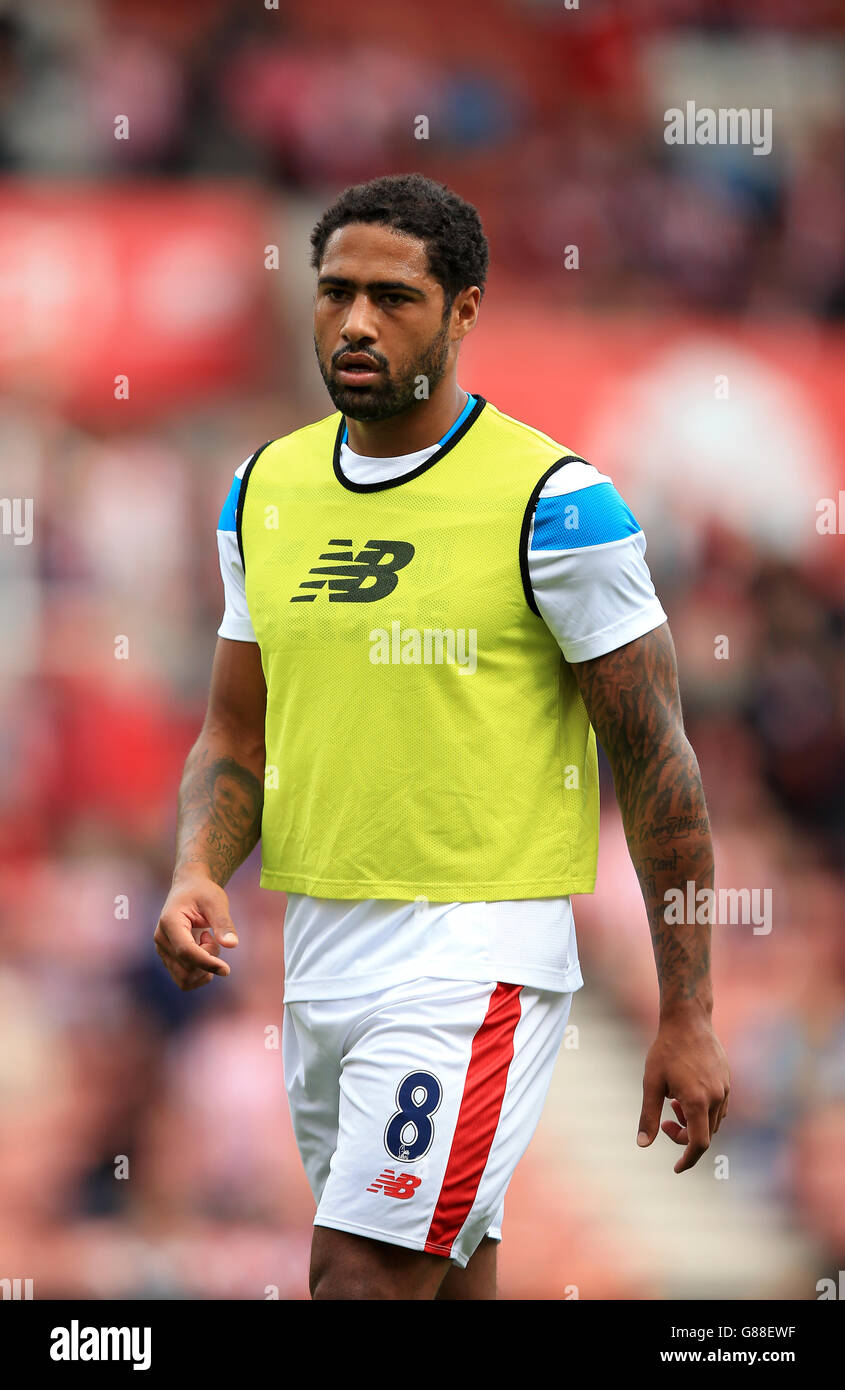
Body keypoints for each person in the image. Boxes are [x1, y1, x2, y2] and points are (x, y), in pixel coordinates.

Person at [154, 173, 730, 1301]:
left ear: (464, 311)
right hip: (319, 947)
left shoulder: (556, 505)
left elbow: (658, 760)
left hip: (475, 953)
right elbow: (234, 725)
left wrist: (687, 1012)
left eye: (392, 297)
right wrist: (197, 866)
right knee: (444, 1280)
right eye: (334, 293)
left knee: (358, 1278)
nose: (356, 322)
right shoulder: (262, 491)